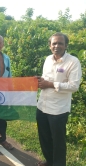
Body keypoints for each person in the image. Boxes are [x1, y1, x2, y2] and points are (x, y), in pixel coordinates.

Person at [36, 32, 82, 166]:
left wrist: (49, 84)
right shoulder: (48, 59)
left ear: (66, 45)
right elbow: (47, 79)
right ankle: (49, 161)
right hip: (42, 106)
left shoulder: (73, 62)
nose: (57, 46)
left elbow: (74, 86)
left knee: (58, 142)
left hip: (58, 110)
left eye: (60, 43)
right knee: (44, 138)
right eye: (54, 43)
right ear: (50, 45)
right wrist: (40, 81)